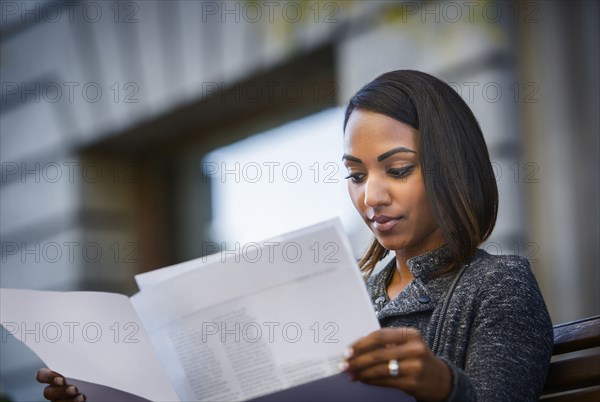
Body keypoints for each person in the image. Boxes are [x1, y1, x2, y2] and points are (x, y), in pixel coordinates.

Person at [36, 70, 554, 401]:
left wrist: (443, 387)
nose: (370, 196)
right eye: (355, 174)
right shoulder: (346, 291)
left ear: (452, 168)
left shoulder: (497, 286)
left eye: (396, 169)